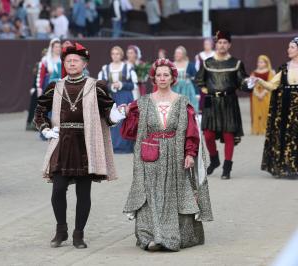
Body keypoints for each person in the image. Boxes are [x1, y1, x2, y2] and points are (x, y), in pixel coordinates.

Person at [33, 42, 123, 249]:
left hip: (86, 143)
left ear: (84, 63)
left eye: (76, 60)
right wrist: (45, 128)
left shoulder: (96, 86)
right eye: (68, 60)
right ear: (64, 63)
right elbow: (39, 111)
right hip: (62, 142)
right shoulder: (55, 86)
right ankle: (61, 229)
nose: (72, 63)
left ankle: (78, 234)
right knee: (58, 189)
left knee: (83, 193)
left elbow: (107, 114)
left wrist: (116, 115)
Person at [121, 58, 213, 251]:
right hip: (149, 153)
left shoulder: (182, 102)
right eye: (158, 75)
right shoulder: (143, 102)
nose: (162, 78)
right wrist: (127, 113)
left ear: (173, 78)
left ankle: (170, 236)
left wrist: (190, 153)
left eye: (166, 75)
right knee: (150, 194)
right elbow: (129, 132)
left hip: (175, 153)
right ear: (154, 78)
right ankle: (150, 236)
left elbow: (191, 132)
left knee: (173, 194)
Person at [195, 31, 252, 179]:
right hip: (211, 102)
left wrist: (250, 84)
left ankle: (227, 168)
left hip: (229, 103)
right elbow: (200, 80)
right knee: (208, 135)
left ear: (229, 45)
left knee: (228, 136)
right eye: (220, 42)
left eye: (225, 42)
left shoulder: (236, 63)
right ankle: (214, 160)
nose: (222, 45)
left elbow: (242, 83)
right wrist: (206, 91)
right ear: (216, 44)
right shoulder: (208, 62)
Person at [253, 37, 298, 179]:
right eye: (289, 47)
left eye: (291, 47)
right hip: (286, 108)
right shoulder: (284, 68)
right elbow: (272, 85)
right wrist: (259, 80)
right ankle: (286, 167)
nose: (288, 49)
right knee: (286, 136)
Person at [98, 46, 137, 153]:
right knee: (113, 120)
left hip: (125, 96)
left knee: (124, 120)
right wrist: (110, 86)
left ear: (121, 55)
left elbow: (133, 85)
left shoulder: (127, 67)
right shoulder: (106, 68)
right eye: (113, 53)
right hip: (112, 97)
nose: (115, 56)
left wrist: (121, 84)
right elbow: (102, 85)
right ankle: (113, 146)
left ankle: (125, 146)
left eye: (117, 54)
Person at [250, 55, 274, 135]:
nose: (259, 64)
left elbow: (271, 83)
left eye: (261, 62)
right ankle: (257, 129)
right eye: (258, 62)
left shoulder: (270, 73)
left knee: (266, 111)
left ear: (266, 63)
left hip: (266, 95)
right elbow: (251, 84)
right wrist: (257, 93)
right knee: (256, 112)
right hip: (256, 96)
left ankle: (265, 128)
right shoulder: (254, 73)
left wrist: (263, 93)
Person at [173, 46, 199, 111]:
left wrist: (197, 93)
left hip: (188, 91)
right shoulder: (171, 65)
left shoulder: (190, 65)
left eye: (179, 53)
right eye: (176, 53)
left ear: (183, 55)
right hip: (175, 90)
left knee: (188, 110)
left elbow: (196, 80)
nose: (177, 55)